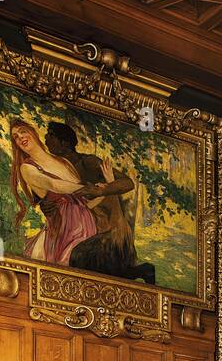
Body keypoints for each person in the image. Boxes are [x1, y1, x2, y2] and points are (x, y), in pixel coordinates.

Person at [44, 121, 157, 284]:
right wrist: (45, 205)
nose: (46, 138)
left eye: (51, 135)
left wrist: (101, 190)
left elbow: (127, 183)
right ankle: (142, 271)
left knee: (78, 259)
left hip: (109, 231)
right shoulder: (56, 170)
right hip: (82, 231)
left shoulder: (87, 163)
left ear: (65, 143)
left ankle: (144, 273)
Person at [8, 118, 96, 265]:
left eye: (23, 132)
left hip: (87, 225)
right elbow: (53, 184)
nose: (20, 137)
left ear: (33, 133)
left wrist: (104, 188)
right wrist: (85, 188)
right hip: (63, 230)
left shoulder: (64, 162)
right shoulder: (28, 168)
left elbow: (86, 202)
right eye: (16, 137)